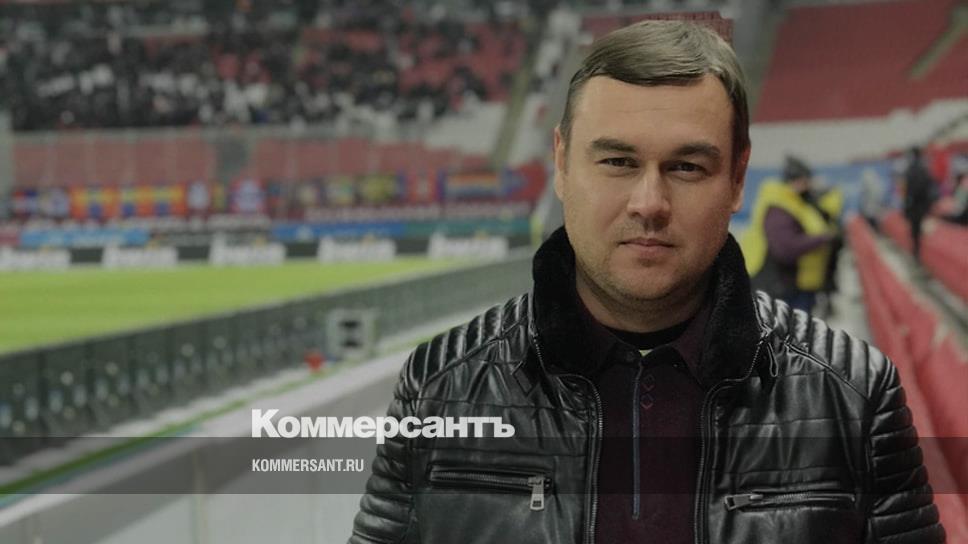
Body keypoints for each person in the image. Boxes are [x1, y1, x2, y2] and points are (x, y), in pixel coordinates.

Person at [350, 20, 944, 544]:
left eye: (686, 166)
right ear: (561, 164)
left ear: (737, 178)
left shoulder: (857, 395)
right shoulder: (438, 386)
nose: (649, 203)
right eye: (617, 162)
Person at [740, 156, 837, 314]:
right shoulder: (779, 208)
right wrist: (822, 239)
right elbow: (785, 248)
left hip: (790, 283)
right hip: (775, 285)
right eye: (806, 181)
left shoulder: (796, 203)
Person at [903, 146, 939, 263]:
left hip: (916, 206)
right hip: (922, 206)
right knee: (919, 232)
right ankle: (918, 254)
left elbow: (909, 190)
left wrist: (908, 205)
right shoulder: (924, 169)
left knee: (917, 232)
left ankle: (918, 254)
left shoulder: (912, 170)